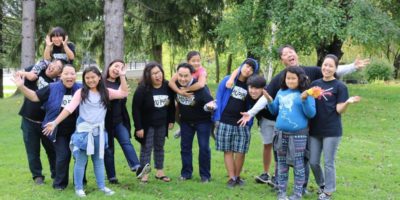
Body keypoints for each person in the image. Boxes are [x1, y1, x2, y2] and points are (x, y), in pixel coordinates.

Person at [237, 44, 369, 193]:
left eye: (291, 52)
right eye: (285, 54)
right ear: (282, 60)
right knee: (287, 159)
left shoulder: (311, 72)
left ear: (296, 54)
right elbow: (268, 96)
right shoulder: (280, 78)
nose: (289, 55)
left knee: (304, 159)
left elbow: (329, 70)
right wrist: (251, 112)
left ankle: (304, 187)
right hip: (289, 128)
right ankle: (281, 184)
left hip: (309, 126)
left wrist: (353, 66)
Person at [43, 66, 129, 197]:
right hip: (84, 132)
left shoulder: (106, 92)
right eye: (87, 78)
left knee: (98, 161)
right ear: (84, 79)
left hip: (99, 132)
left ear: (99, 77)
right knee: (81, 161)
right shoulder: (81, 92)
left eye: (93, 77)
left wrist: (122, 76)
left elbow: (123, 93)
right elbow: (69, 109)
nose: (90, 80)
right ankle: (79, 188)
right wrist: (55, 122)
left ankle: (102, 186)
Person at [13, 64, 80, 190]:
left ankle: (79, 181)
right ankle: (57, 182)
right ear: (61, 76)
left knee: (78, 155)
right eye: (66, 73)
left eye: (72, 73)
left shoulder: (81, 88)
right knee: (62, 155)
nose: (69, 76)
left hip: (76, 130)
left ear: (76, 75)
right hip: (56, 129)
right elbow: (34, 96)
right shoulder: (52, 87)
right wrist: (21, 86)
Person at [306, 55, 361, 200]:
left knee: (328, 162)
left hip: (332, 131)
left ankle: (329, 192)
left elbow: (339, 110)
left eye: (330, 66)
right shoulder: (314, 84)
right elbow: (308, 105)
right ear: (321, 66)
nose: (327, 68)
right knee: (313, 161)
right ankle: (322, 184)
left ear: (335, 68)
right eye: (325, 65)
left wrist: (347, 102)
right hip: (314, 130)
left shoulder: (340, 86)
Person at [265, 66, 316, 200]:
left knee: (299, 165)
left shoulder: (306, 93)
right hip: (280, 133)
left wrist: (304, 99)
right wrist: (270, 101)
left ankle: (297, 194)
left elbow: (311, 113)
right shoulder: (281, 92)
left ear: (300, 79)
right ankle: (281, 193)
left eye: (293, 78)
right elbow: (274, 111)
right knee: (282, 164)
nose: (290, 81)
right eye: (288, 78)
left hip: (299, 135)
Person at [15, 59, 63, 185]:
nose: (53, 67)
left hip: (47, 123)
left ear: (59, 74)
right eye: (53, 63)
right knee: (32, 151)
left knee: (52, 150)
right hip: (29, 121)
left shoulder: (57, 85)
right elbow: (20, 73)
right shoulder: (37, 69)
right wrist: (26, 75)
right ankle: (37, 176)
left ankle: (56, 173)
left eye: (58, 67)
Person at [213, 58, 259, 188]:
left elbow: (254, 101)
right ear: (242, 65)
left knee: (241, 151)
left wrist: (250, 121)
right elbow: (219, 96)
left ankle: (237, 177)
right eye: (246, 66)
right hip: (225, 120)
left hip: (242, 123)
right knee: (227, 150)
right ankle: (231, 177)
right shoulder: (229, 80)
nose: (248, 69)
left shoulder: (251, 85)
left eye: (251, 68)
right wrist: (217, 117)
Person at [132, 62, 175, 183]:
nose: (158, 76)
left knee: (159, 147)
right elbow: (136, 109)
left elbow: (171, 105)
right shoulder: (143, 89)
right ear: (148, 76)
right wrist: (139, 127)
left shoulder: (167, 86)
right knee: (146, 148)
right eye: (154, 73)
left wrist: (171, 120)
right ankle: (144, 174)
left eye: (159, 72)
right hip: (147, 125)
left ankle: (160, 172)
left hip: (162, 123)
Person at [174, 63, 216, 183]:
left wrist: (211, 106)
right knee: (185, 147)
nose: (182, 79)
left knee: (204, 148)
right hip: (186, 122)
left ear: (191, 75)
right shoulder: (176, 85)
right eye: (180, 75)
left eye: (186, 76)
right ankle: (186, 173)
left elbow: (212, 103)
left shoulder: (200, 87)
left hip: (203, 122)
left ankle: (205, 176)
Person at [102, 59, 141, 184]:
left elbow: (124, 95)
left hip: (119, 122)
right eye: (115, 66)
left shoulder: (122, 83)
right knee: (108, 150)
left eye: (121, 67)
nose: (117, 69)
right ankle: (112, 177)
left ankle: (136, 167)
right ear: (109, 67)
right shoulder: (100, 83)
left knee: (126, 142)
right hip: (104, 124)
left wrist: (123, 77)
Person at [168, 51, 208, 138]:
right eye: (193, 61)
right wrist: (180, 92)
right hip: (185, 97)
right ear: (188, 61)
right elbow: (171, 82)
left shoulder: (202, 71)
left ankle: (215, 121)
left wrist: (186, 89)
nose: (196, 63)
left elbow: (201, 84)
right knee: (177, 109)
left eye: (198, 60)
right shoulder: (184, 70)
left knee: (207, 108)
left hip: (199, 96)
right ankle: (181, 127)